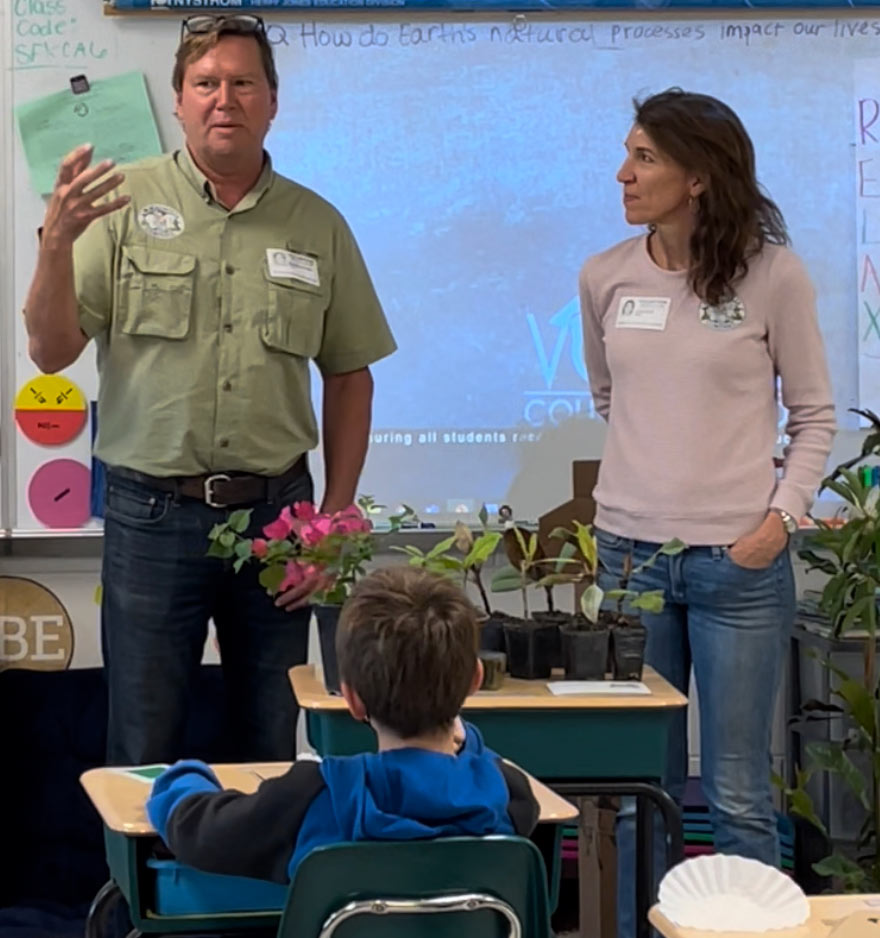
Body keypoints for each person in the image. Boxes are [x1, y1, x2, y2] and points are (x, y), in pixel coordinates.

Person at [22, 13, 396, 766]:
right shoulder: (119, 203)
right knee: (143, 740)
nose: (224, 98)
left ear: (271, 101)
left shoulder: (317, 224)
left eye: (242, 82)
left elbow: (351, 373)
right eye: (206, 83)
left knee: (267, 738)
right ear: (181, 99)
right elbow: (51, 350)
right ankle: (140, 890)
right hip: (151, 516)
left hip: (277, 520)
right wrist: (57, 246)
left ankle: (252, 888)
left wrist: (335, 515)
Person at [579, 89, 836, 937]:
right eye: (628, 154)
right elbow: (611, 397)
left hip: (741, 561)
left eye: (644, 157)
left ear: (699, 175)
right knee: (628, 794)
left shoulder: (775, 274)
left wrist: (777, 521)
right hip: (629, 559)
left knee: (737, 792)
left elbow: (814, 416)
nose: (624, 173)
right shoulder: (604, 276)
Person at [146, 566, 540, 881]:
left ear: (351, 698)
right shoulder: (507, 793)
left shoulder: (312, 797)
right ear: (475, 680)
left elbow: (200, 831)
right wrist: (465, 741)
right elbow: (480, 764)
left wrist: (182, 778)